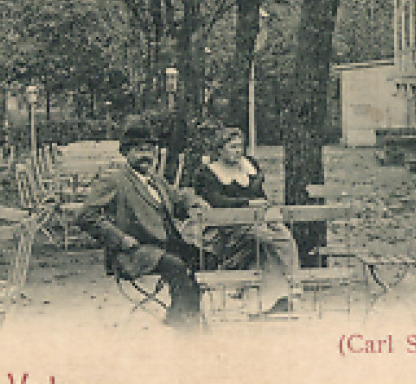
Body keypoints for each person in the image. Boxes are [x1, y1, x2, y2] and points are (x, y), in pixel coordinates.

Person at [74, 120, 207, 329]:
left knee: (207, 260)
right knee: (177, 267)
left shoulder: (155, 179)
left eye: (150, 150)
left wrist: (194, 202)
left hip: (166, 245)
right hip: (135, 251)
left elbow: (179, 198)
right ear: (126, 152)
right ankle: (186, 327)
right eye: (139, 150)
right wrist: (120, 239)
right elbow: (85, 216)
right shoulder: (115, 180)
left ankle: (180, 315)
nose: (146, 156)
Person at [192, 126, 303, 313]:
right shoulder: (209, 173)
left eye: (240, 146)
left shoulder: (249, 166)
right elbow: (217, 201)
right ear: (220, 150)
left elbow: (261, 195)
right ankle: (282, 292)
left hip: (255, 223)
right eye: (232, 147)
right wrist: (249, 203)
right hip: (225, 228)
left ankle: (284, 293)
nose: (238, 151)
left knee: (281, 234)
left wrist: (266, 209)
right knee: (267, 239)